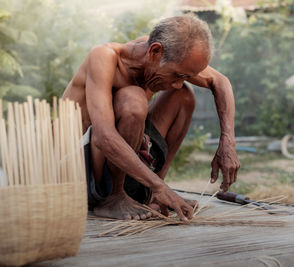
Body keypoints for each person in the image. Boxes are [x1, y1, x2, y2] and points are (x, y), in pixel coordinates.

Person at [62, 14, 240, 221]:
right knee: (133, 98)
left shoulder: (167, 54)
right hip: (82, 172)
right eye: (177, 75)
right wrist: (161, 187)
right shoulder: (104, 57)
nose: (178, 82)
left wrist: (228, 141)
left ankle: (152, 195)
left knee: (183, 96)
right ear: (155, 51)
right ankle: (114, 197)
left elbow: (220, 81)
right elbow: (104, 136)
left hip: (126, 162)